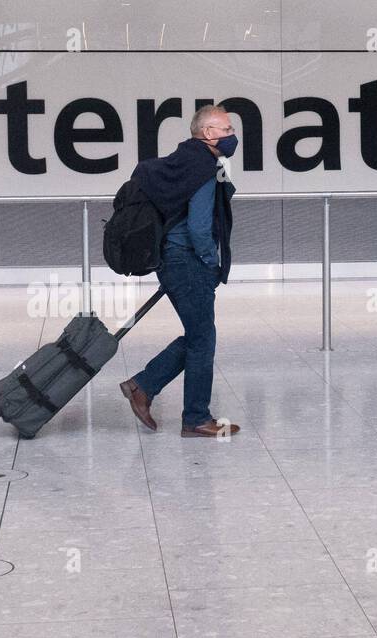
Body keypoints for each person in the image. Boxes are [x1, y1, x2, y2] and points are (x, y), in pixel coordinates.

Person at [119, 105, 240, 438]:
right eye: (227, 129)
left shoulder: (182, 161)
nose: (232, 135)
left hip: (171, 259)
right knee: (203, 339)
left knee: (199, 336)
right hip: (187, 261)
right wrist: (210, 262)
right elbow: (200, 227)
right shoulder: (203, 166)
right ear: (207, 133)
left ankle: (141, 386)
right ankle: (195, 418)